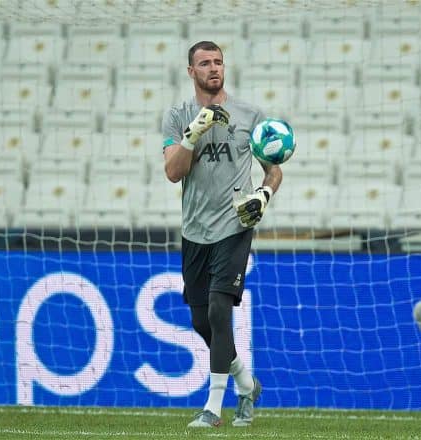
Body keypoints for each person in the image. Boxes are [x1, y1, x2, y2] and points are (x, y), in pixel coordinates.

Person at [161, 41, 283, 428]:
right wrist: (191, 135)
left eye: (218, 62)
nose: (214, 68)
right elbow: (173, 172)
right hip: (195, 230)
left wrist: (264, 194)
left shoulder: (250, 114)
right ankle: (246, 383)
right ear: (191, 71)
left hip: (235, 224)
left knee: (218, 310)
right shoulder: (177, 115)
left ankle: (213, 408)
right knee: (201, 322)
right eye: (205, 63)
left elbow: (274, 168)